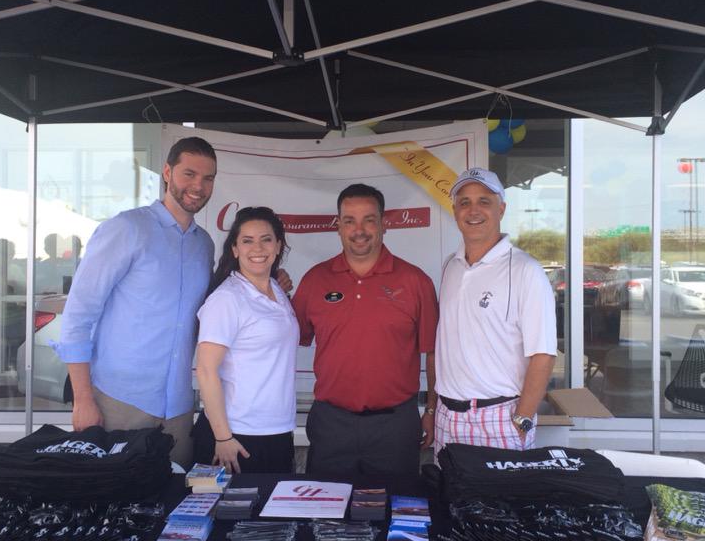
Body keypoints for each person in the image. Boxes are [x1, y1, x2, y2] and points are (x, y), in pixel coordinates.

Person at [55, 137, 217, 469]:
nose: (198, 186)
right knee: (114, 507)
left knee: (171, 506)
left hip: (178, 409)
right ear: (168, 173)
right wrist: (83, 400)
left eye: (208, 178)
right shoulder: (127, 229)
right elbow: (78, 315)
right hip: (119, 403)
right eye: (189, 174)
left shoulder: (206, 246)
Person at [292, 183, 438, 478]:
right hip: (331, 423)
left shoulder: (415, 281)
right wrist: (269, 288)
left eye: (369, 220)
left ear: (384, 225)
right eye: (350, 221)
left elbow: (435, 354)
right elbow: (283, 336)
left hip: (395, 426)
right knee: (327, 518)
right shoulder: (314, 280)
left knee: (392, 517)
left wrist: (432, 411)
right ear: (339, 228)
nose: (359, 230)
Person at [435, 166, 557, 453]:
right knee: (448, 498)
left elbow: (544, 355)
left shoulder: (526, 270)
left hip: (500, 420)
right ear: (455, 212)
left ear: (501, 209)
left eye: (484, 202)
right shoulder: (450, 266)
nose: (473, 210)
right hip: (447, 418)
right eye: (464, 202)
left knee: (502, 499)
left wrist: (522, 419)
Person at [194, 207, 298, 473]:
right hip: (237, 436)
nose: (258, 248)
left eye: (266, 239)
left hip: (276, 430)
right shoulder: (227, 299)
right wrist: (223, 437)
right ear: (235, 249)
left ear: (278, 246)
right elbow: (206, 371)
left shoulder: (275, 289)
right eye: (247, 240)